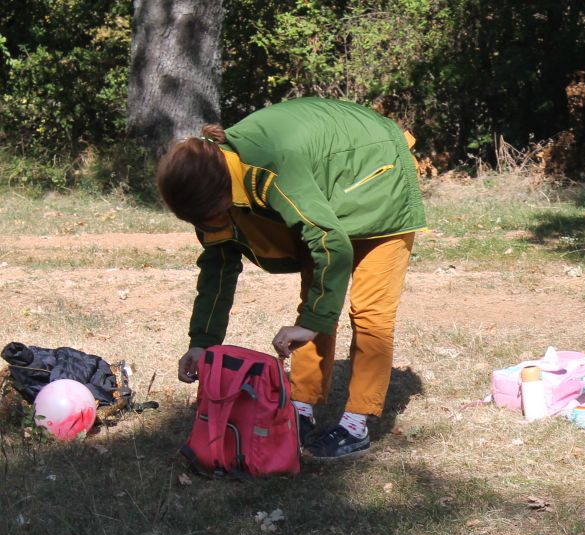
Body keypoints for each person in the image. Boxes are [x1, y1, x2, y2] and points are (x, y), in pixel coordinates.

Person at [156, 97, 427, 460]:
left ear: (223, 195)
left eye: (211, 217)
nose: (207, 226)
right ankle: (302, 408)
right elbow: (219, 262)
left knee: (369, 312)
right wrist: (202, 342)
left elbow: (330, 242)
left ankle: (356, 424)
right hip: (331, 184)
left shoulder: (271, 167)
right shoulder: (212, 177)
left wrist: (312, 324)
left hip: (379, 168)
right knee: (317, 298)